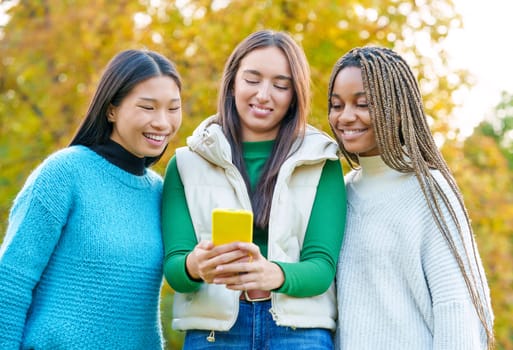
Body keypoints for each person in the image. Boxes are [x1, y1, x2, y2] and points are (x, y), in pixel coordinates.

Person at [162, 29, 346, 349]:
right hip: (214, 334)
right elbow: (174, 270)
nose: (263, 95)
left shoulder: (322, 162)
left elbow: (322, 267)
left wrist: (273, 274)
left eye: (280, 85)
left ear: (294, 95)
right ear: (233, 82)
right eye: (252, 79)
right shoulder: (185, 164)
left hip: (298, 334)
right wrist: (195, 265)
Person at [0, 49, 182, 349]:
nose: (163, 122)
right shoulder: (64, 173)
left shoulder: (161, 193)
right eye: (147, 107)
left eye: (173, 108)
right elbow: (10, 282)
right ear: (111, 109)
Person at [327, 46, 494, 350]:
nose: (345, 117)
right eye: (337, 105)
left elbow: (456, 307)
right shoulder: (340, 192)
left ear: (398, 108)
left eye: (362, 104)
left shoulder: (428, 190)